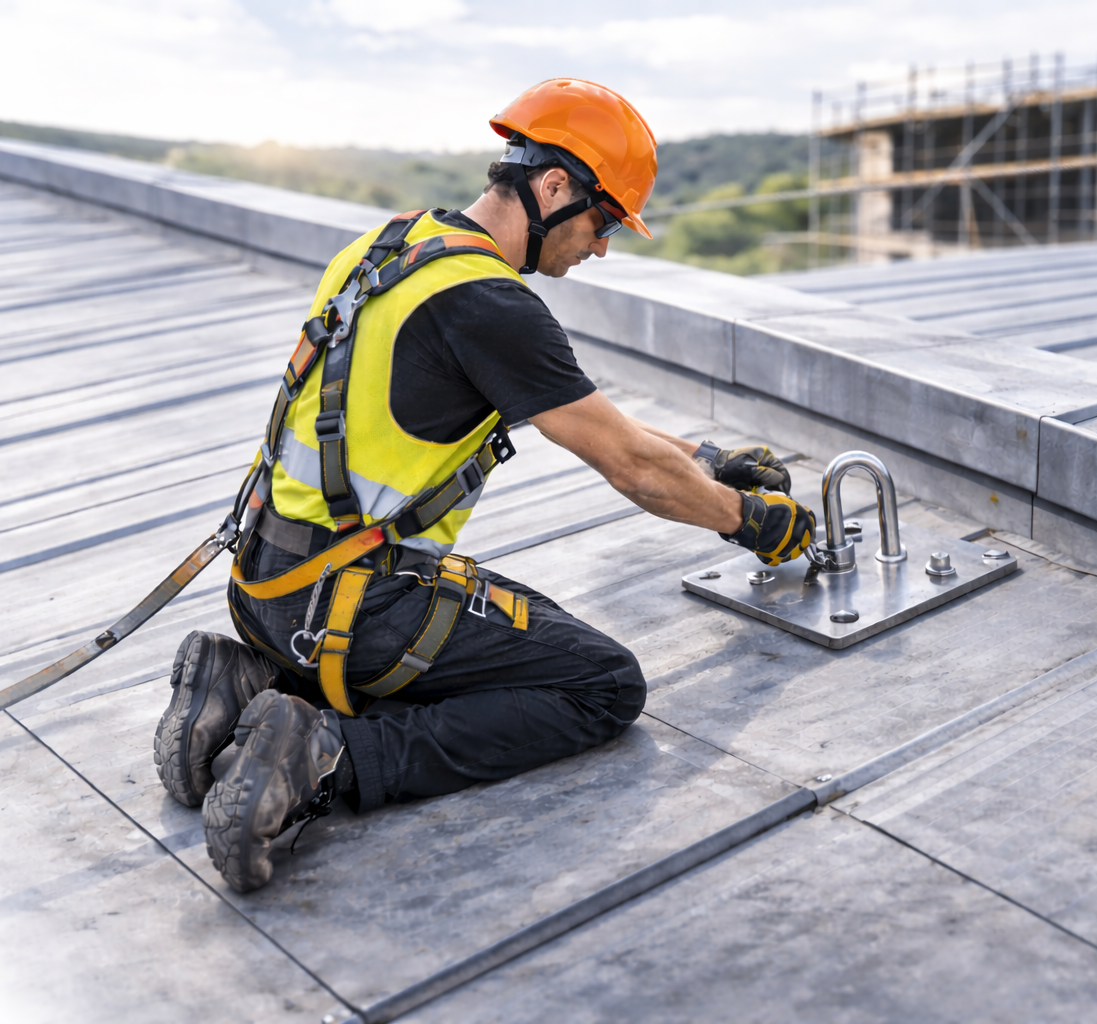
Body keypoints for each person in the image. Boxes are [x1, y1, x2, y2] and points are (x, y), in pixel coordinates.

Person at [152, 78, 817, 893]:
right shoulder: (488, 303)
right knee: (600, 683)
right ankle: (321, 761)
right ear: (553, 188)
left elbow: (597, 423)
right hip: (350, 608)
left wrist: (709, 457)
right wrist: (748, 519)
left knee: (532, 640)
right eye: (603, 222)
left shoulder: (394, 247)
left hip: (265, 582)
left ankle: (244, 679)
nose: (601, 248)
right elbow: (631, 467)